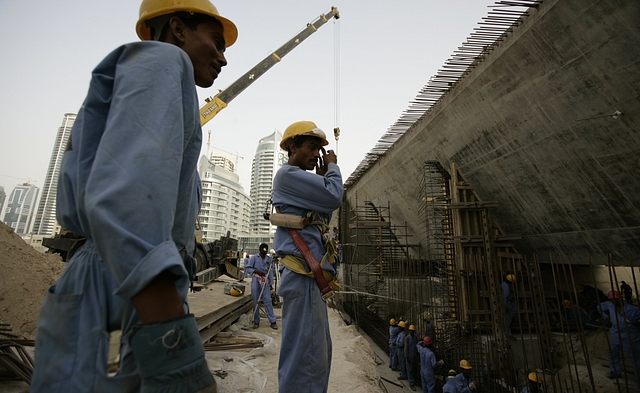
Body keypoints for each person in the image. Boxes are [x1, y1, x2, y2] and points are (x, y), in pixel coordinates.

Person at [30, 1, 237, 392]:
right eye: (216, 42)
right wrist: (175, 351)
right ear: (177, 28)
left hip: (120, 286)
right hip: (121, 289)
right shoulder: (162, 62)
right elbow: (128, 210)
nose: (223, 59)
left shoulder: (162, 85)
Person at [272, 120, 343, 393]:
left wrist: (324, 174)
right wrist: (333, 168)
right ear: (292, 147)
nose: (317, 155)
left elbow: (322, 211)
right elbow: (334, 197)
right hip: (304, 278)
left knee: (313, 353)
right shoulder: (289, 175)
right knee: (308, 360)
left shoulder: (300, 181)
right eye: (312, 148)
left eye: (320, 151)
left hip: (308, 279)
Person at [597, 290, 640, 381]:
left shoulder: (632, 309)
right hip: (615, 332)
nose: (614, 301)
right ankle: (615, 371)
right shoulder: (609, 305)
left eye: (616, 299)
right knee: (613, 352)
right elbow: (599, 307)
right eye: (612, 300)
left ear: (621, 298)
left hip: (630, 333)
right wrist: (606, 316)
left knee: (635, 355)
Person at [245, 243, 277, 329]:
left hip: (265, 281)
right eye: (263, 252)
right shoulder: (254, 258)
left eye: (265, 252)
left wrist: (270, 284)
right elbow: (248, 268)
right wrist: (257, 271)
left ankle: (273, 321)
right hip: (256, 280)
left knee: (267, 300)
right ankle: (256, 321)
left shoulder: (268, 259)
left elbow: (270, 271)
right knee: (256, 300)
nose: (264, 254)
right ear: (260, 250)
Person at [502, 274, 518, 340]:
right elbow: (505, 296)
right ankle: (508, 334)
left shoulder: (506, 285)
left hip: (509, 302)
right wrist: (505, 305)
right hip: (507, 302)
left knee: (514, 309)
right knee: (507, 318)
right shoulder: (505, 286)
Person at [404, 324, 419, 391]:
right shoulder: (407, 338)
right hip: (409, 356)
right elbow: (406, 348)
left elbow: (416, 347)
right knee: (409, 370)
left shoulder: (415, 338)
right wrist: (407, 356)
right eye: (411, 331)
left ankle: (413, 381)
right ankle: (411, 383)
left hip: (414, 356)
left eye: (413, 331)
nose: (412, 332)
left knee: (413, 369)